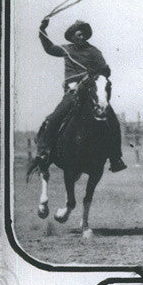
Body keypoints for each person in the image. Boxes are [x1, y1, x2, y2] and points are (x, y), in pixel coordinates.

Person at [36, 19, 126, 172]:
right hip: (73, 92)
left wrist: (98, 73)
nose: (82, 37)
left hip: (91, 91)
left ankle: (115, 158)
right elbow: (49, 48)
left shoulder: (94, 51)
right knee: (53, 118)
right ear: (72, 36)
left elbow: (105, 71)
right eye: (79, 34)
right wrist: (42, 31)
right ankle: (46, 152)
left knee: (113, 121)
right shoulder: (66, 50)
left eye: (84, 34)